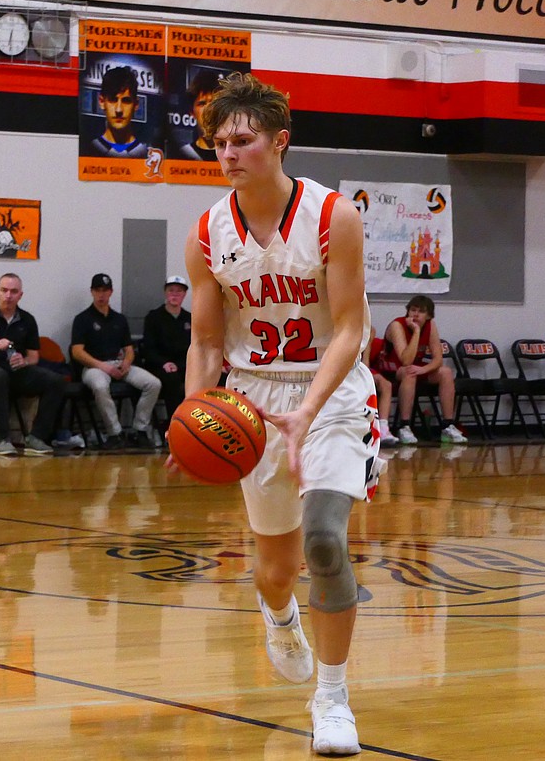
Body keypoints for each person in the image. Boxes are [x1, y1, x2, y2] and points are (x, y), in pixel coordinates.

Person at [176, 72, 382, 756]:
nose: (229, 153)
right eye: (219, 144)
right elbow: (206, 341)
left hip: (332, 390)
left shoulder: (333, 216)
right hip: (254, 399)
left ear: (280, 141)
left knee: (325, 540)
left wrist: (310, 409)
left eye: (242, 140)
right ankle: (278, 613)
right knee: (275, 568)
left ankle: (331, 699)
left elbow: (350, 329)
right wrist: (192, 415)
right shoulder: (207, 231)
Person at [0, 272, 66, 457]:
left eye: (13, 291)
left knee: (55, 380)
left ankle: (36, 437)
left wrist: (23, 361)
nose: (8, 295)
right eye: (4, 290)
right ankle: (1, 439)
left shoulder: (28, 320)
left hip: (15, 370)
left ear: (20, 295)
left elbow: (34, 357)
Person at [70, 273, 161, 450]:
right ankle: (115, 433)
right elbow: (77, 352)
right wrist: (102, 366)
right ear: (92, 292)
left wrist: (127, 362)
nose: (101, 295)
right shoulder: (82, 319)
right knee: (99, 386)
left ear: (111, 292)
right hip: (94, 367)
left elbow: (128, 349)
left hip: (118, 364)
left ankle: (139, 429)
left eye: (105, 290)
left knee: (153, 383)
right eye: (98, 290)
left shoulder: (119, 319)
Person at [381, 295, 467, 445]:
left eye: (420, 312)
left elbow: (438, 359)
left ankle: (447, 425)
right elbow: (405, 360)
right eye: (413, 310)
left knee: (445, 372)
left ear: (428, 316)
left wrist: (424, 370)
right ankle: (404, 426)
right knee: (409, 372)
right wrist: (416, 332)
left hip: (415, 368)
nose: (415, 314)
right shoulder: (397, 325)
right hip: (390, 370)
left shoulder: (431, 325)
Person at [141, 275, 191, 418]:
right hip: (161, 366)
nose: (174, 294)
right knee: (172, 379)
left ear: (184, 294)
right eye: (171, 290)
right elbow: (148, 349)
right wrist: (164, 363)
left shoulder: (190, 318)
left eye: (179, 291)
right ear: (165, 292)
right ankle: (175, 424)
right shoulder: (154, 317)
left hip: (185, 365)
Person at [87, 66, 148, 159]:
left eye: (126, 101)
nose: (118, 110)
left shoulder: (146, 155)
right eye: (113, 100)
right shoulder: (89, 150)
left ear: (136, 104)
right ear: (102, 102)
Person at [176, 69, 221, 161]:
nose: (209, 110)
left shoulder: (234, 155)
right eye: (202, 104)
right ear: (192, 112)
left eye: (213, 103)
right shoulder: (182, 155)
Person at [364, 327, 397, 446]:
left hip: (361, 367)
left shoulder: (369, 330)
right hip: (343, 367)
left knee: (386, 384)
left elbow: (365, 363)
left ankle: (383, 428)